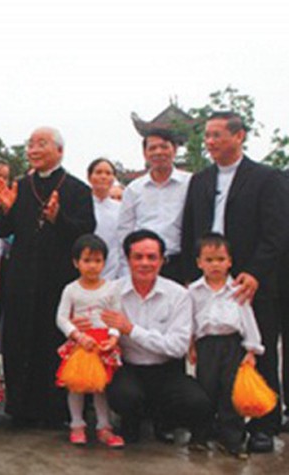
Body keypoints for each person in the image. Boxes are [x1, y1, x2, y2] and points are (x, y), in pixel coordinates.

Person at [181, 112, 289, 452]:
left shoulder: (266, 178)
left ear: (238, 136)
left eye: (216, 135)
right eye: (207, 136)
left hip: (250, 281)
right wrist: (191, 274)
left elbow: (276, 231)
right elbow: (189, 230)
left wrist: (255, 271)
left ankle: (264, 423)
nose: (209, 142)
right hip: (209, 280)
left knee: (260, 350)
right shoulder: (200, 180)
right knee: (214, 358)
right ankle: (216, 421)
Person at [0, 126, 96, 427]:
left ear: (59, 151)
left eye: (41, 144)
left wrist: (57, 219)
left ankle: (55, 411)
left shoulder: (77, 190)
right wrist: (6, 209)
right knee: (19, 341)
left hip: (57, 281)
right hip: (21, 279)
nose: (33, 150)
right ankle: (19, 409)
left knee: (51, 342)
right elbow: (0, 229)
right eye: (31, 144)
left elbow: (86, 232)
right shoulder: (20, 186)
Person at [102, 230, 211, 446]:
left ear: (162, 260)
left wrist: (131, 330)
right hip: (128, 368)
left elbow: (178, 347)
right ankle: (131, 421)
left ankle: (164, 421)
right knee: (124, 395)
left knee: (198, 403)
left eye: (152, 257)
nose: (145, 263)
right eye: (138, 257)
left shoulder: (178, 295)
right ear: (127, 259)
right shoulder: (111, 292)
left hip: (166, 369)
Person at [188, 232, 264, 459]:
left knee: (230, 393)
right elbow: (189, 320)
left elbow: (247, 318)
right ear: (199, 262)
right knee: (205, 389)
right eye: (209, 260)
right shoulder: (193, 291)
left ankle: (231, 440)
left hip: (233, 345)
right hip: (206, 345)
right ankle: (200, 436)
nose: (215, 265)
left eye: (220, 259)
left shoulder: (237, 290)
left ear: (230, 261)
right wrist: (190, 345)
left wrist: (252, 349)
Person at [54, 234, 124, 448]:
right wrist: (77, 335)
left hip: (103, 345)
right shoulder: (71, 289)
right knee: (76, 386)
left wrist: (113, 336)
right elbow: (61, 318)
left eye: (97, 261)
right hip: (80, 344)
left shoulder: (112, 289)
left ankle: (104, 425)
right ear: (76, 263)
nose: (92, 266)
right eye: (87, 261)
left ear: (104, 262)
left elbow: (117, 315)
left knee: (101, 387)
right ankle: (77, 424)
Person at [117, 130, 189, 281]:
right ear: (145, 153)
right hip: (143, 264)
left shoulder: (190, 183)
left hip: (178, 264)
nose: (158, 152)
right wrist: (126, 270)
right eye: (152, 148)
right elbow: (125, 230)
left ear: (174, 149)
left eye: (164, 147)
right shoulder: (134, 189)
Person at [87, 158, 122, 279]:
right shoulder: (81, 206)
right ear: (89, 177)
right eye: (98, 172)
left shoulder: (121, 209)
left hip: (114, 269)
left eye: (108, 173)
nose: (103, 176)